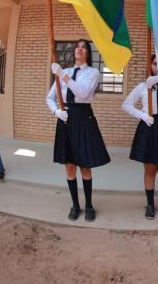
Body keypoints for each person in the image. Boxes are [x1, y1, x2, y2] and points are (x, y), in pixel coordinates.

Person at [48, 39, 109, 222]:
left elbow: (82, 93)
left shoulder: (93, 72)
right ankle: (75, 205)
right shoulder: (64, 71)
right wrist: (57, 111)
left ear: (88, 53)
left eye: (83, 47)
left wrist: (63, 76)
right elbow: (50, 98)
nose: (79, 49)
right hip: (66, 118)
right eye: (77, 46)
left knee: (85, 165)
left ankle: (89, 205)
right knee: (69, 165)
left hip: (84, 118)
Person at [122, 55, 158, 219]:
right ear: (150, 65)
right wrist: (142, 115)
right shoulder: (143, 87)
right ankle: (150, 205)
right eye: (156, 64)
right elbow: (126, 104)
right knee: (150, 169)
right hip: (149, 126)